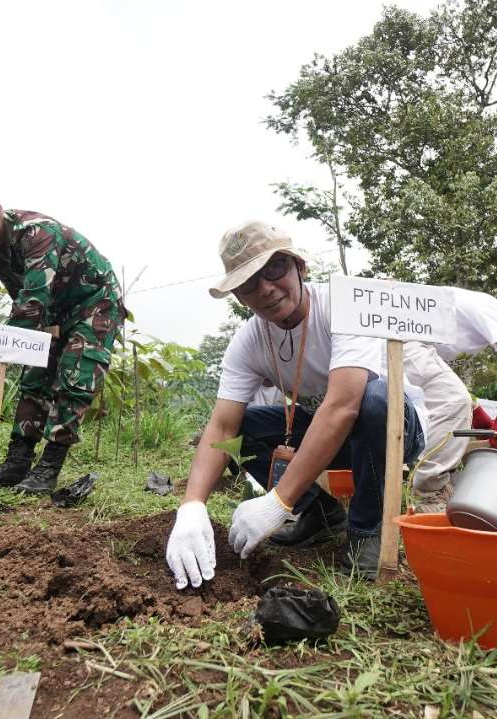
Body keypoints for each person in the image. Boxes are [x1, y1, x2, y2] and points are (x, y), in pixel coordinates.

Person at [164, 221, 426, 588]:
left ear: (299, 266)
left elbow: (343, 406)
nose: (266, 289)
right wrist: (192, 506)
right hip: (335, 435)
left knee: (373, 399)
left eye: (274, 270)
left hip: (395, 430)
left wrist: (277, 502)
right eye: (249, 284)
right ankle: (319, 513)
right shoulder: (249, 342)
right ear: (239, 297)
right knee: (242, 429)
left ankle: (368, 529)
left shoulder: (341, 306)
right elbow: (221, 427)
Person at [0, 179, 123, 494]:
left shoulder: (37, 233)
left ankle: (48, 468)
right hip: (52, 310)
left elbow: (32, 303)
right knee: (34, 375)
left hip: (94, 302)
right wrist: (9, 347)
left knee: (76, 375)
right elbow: (23, 302)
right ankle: (18, 461)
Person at [405, 291, 497, 512]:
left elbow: (433, 378)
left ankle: (438, 482)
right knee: (454, 400)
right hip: (403, 341)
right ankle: (430, 490)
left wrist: (475, 409)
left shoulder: (466, 311)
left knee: (452, 401)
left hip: (399, 343)